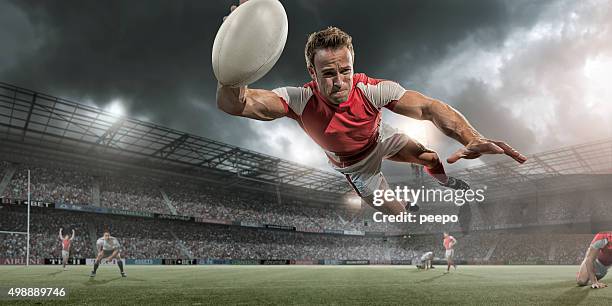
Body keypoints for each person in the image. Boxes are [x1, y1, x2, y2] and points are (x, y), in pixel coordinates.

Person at [217, 2, 527, 215]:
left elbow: (431, 108)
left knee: (430, 157)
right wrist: (236, 60)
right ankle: (408, 209)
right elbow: (235, 103)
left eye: (345, 71)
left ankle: (450, 183)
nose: (340, 82)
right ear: (312, 73)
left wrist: (470, 137)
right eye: (328, 74)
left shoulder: (372, 89)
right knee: (396, 211)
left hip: (379, 137)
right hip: (356, 168)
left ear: (353, 64)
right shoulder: (299, 100)